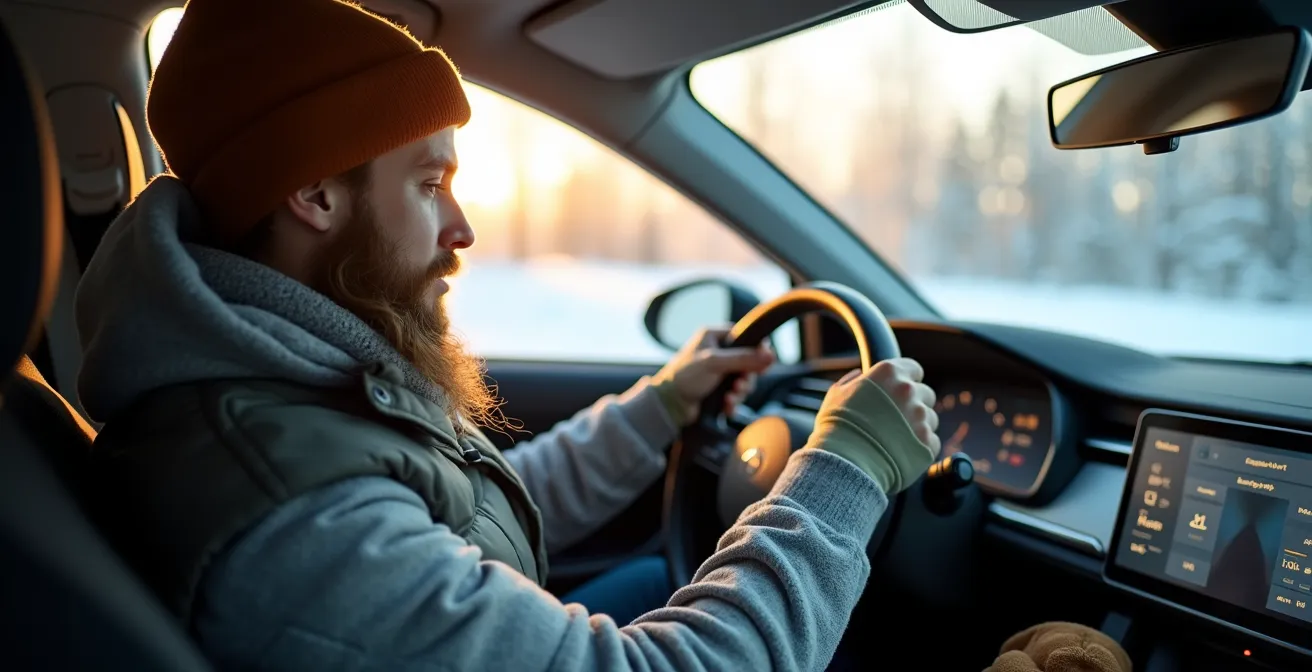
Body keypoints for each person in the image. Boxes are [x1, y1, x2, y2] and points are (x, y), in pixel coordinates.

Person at [74, 0, 943, 669]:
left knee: (659, 580)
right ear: (316, 195)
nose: (462, 228)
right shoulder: (289, 511)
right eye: (428, 183)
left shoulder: (283, 382)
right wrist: (845, 471)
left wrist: (665, 404)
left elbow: (478, 512)